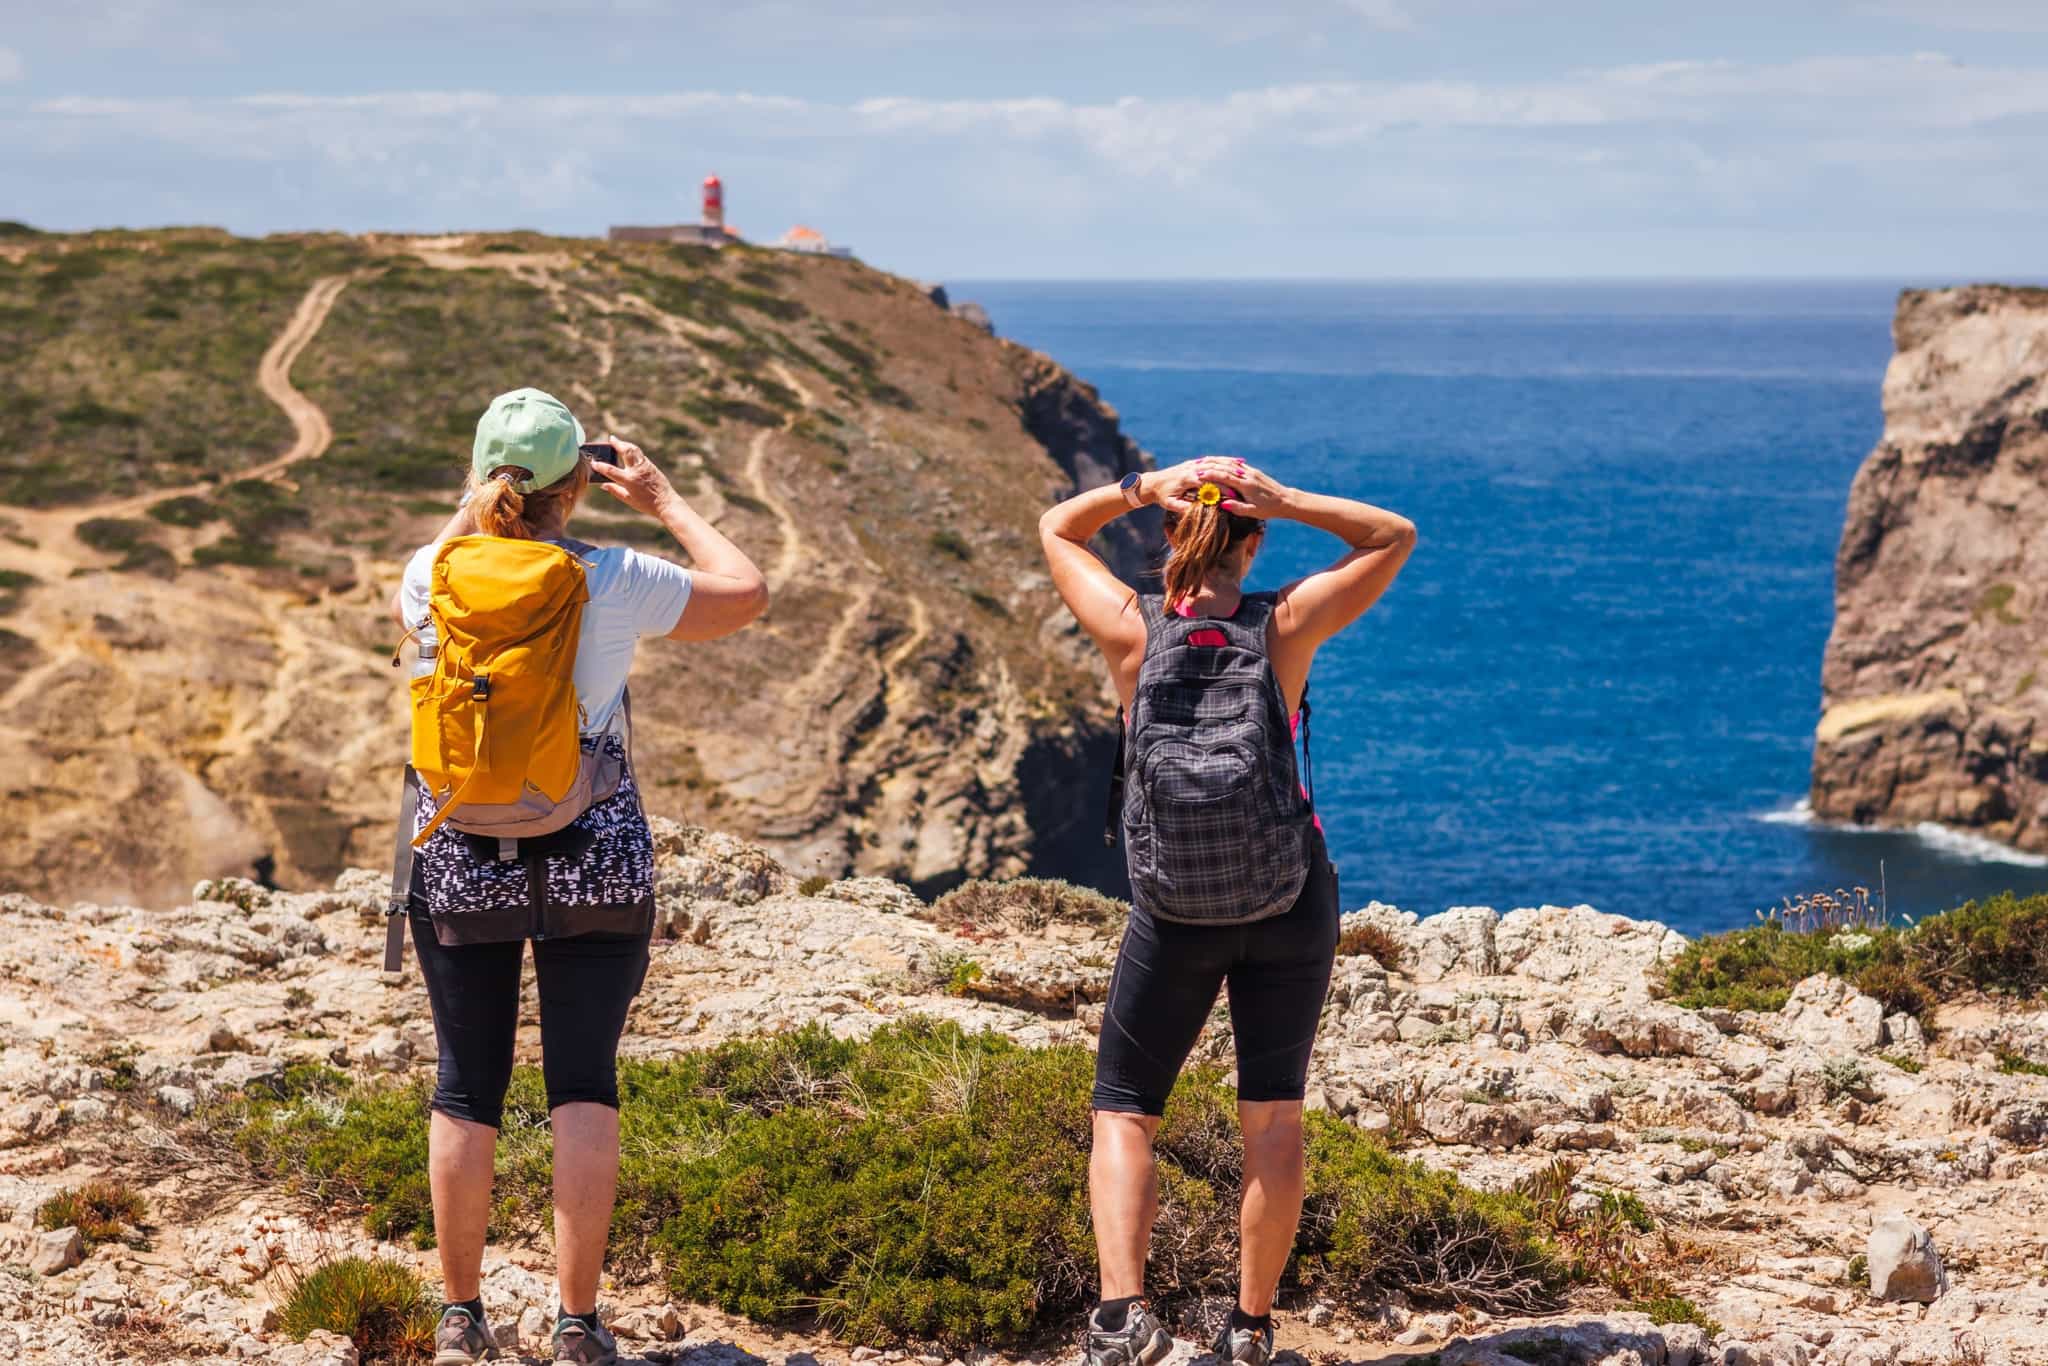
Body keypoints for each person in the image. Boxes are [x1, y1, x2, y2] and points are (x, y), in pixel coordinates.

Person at [388, 388, 768, 1366]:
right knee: (583, 1085)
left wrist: (472, 508)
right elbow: (746, 589)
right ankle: (575, 1322)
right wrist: (665, 499)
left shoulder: (428, 573)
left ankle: (462, 1316)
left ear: (482, 479)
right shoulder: (614, 575)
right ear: (578, 485)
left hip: (461, 849)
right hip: (593, 851)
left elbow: (438, 559)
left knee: (465, 1085)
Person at [1039, 455, 1416, 1366]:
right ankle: (1248, 1329)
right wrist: (1287, 500)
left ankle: (1124, 1320)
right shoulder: (1283, 623)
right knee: (1274, 1116)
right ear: (1253, 544)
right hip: (1287, 895)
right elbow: (1392, 534)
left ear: (1172, 534)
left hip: (1173, 908)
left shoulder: (1130, 630)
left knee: (1126, 1112)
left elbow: (1057, 527)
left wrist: (1143, 485)